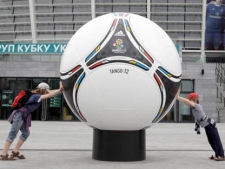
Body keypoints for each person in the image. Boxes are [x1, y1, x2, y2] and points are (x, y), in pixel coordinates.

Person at [0, 81, 64, 160]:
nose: (47, 92)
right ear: (43, 90)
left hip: (23, 115)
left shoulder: (33, 94)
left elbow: (50, 92)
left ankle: (15, 152)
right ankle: (3, 154)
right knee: (13, 133)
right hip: (19, 115)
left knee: (26, 133)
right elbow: (50, 94)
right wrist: (59, 90)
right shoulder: (36, 96)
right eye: (46, 91)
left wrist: (60, 89)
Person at [176, 90, 224, 161]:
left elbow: (187, 101)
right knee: (211, 141)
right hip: (207, 126)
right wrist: (177, 97)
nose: (188, 102)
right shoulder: (193, 107)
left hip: (210, 125)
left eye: (189, 100)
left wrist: (178, 96)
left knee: (216, 140)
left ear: (192, 100)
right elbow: (185, 102)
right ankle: (217, 155)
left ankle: (222, 156)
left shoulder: (197, 106)